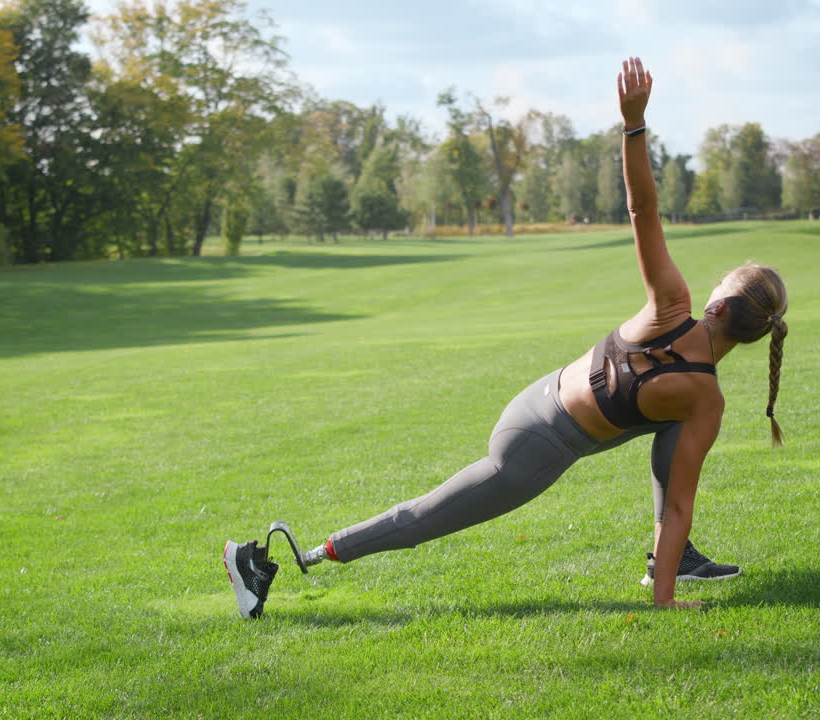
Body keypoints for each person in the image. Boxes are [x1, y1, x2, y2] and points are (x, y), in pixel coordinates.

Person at [223, 57, 789, 618]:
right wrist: (666, 604)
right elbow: (681, 505)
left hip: (537, 398)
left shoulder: (671, 309)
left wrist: (633, 124)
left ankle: (676, 561)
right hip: (537, 447)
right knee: (426, 518)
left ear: (717, 303)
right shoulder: (705, 402)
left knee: (669, 423)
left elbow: (643, 209)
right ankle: (281, 559)